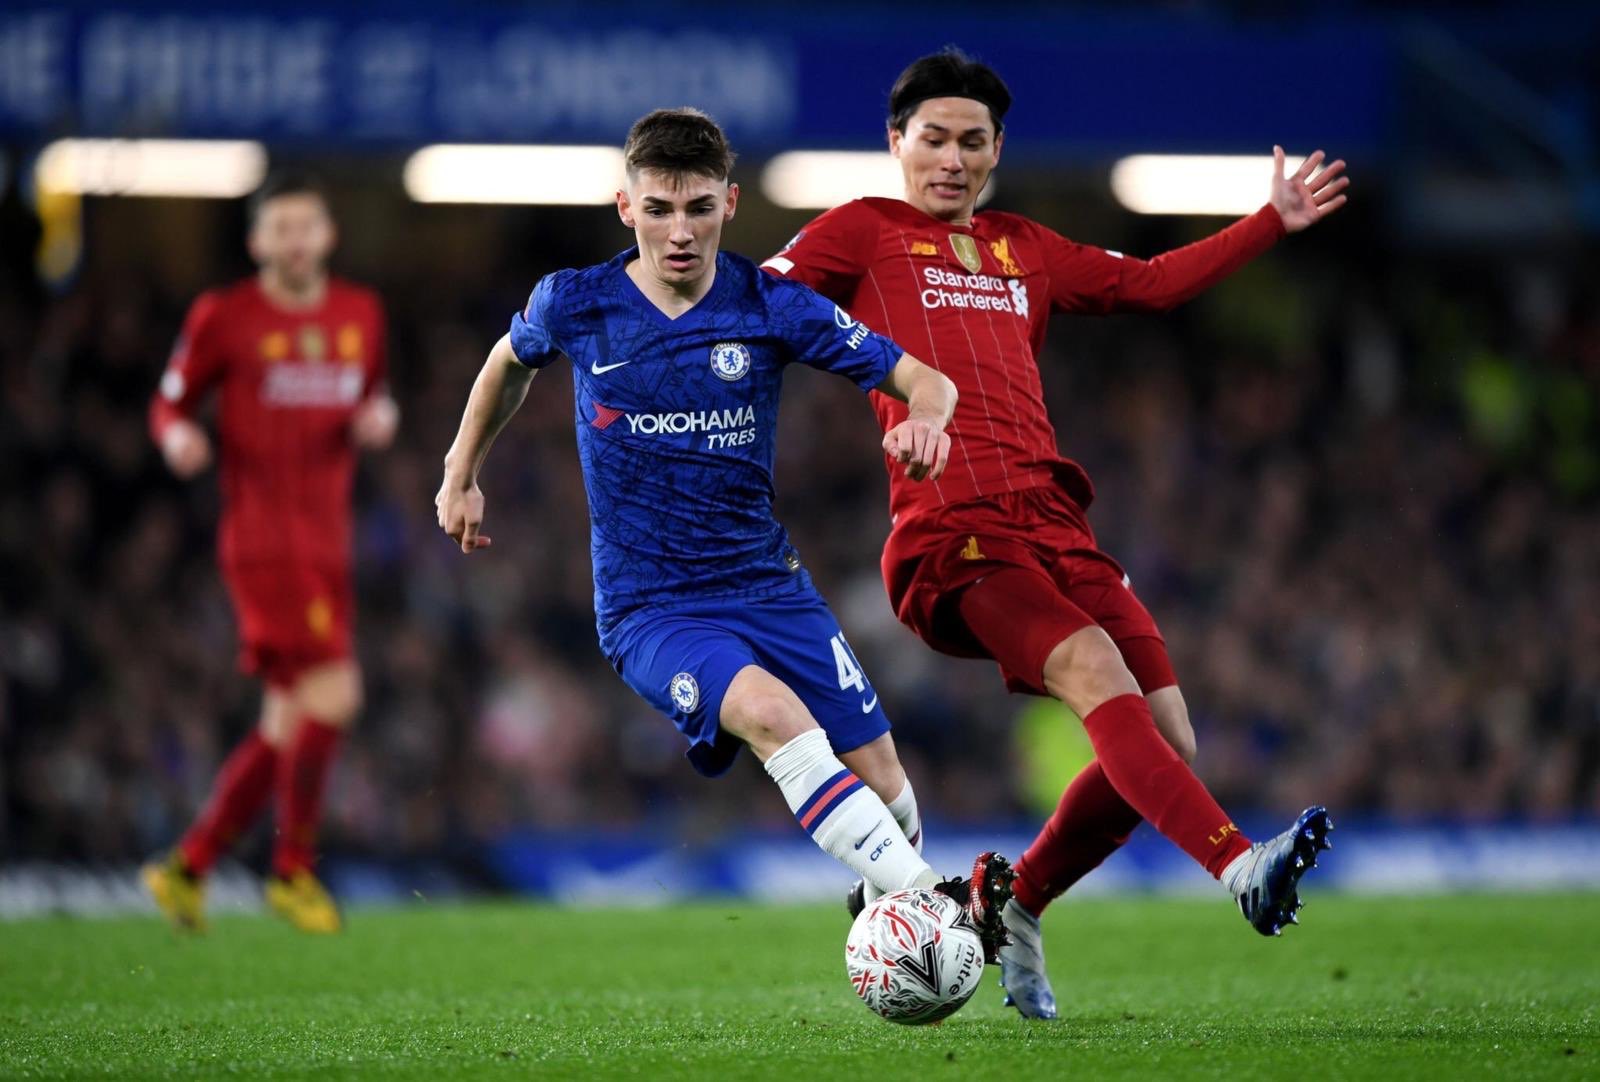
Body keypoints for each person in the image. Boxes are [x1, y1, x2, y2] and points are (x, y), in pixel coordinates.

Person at [762, 48, 1344, 1017]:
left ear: (996, 151)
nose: (950, 159)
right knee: (1090, 669)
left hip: (1054, 525)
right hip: (952, 531)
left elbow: (1150, 283)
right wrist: (881, 389)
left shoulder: (1021, 247)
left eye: (971, 142)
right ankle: (1240, 864)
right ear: (894, 142)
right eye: (933, 138)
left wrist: (1266, 223)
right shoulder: (860, 233)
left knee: (1167, 736)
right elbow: (768, 302)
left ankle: (1013, 897)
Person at [434, 108, 1012, 957]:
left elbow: (925, 379)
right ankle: (944, 907)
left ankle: (892, 921)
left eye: (699, 208)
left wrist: (929, 421)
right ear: (624, 208)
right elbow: (506, 364)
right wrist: (460, 473)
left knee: (887, 785)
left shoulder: (771, 305)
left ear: (731, 204)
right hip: (652, 609)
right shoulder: (575, 302)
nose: (679, 232)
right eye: (660, 209)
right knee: (775, 716)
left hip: (770, 587)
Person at [142, 173, 398, 934]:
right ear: (257, 242)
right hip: (263, 539)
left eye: (305, 228)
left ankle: (188, 867)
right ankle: (291, 872)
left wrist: (379, 415)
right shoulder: (225, 317)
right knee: (337, 696)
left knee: (288, 719)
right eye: (278, 230)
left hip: (329, 540)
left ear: (326, 236)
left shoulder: (361, 314)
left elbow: (373, 394)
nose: (293, 242)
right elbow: (169, 399)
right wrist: (177, 434)